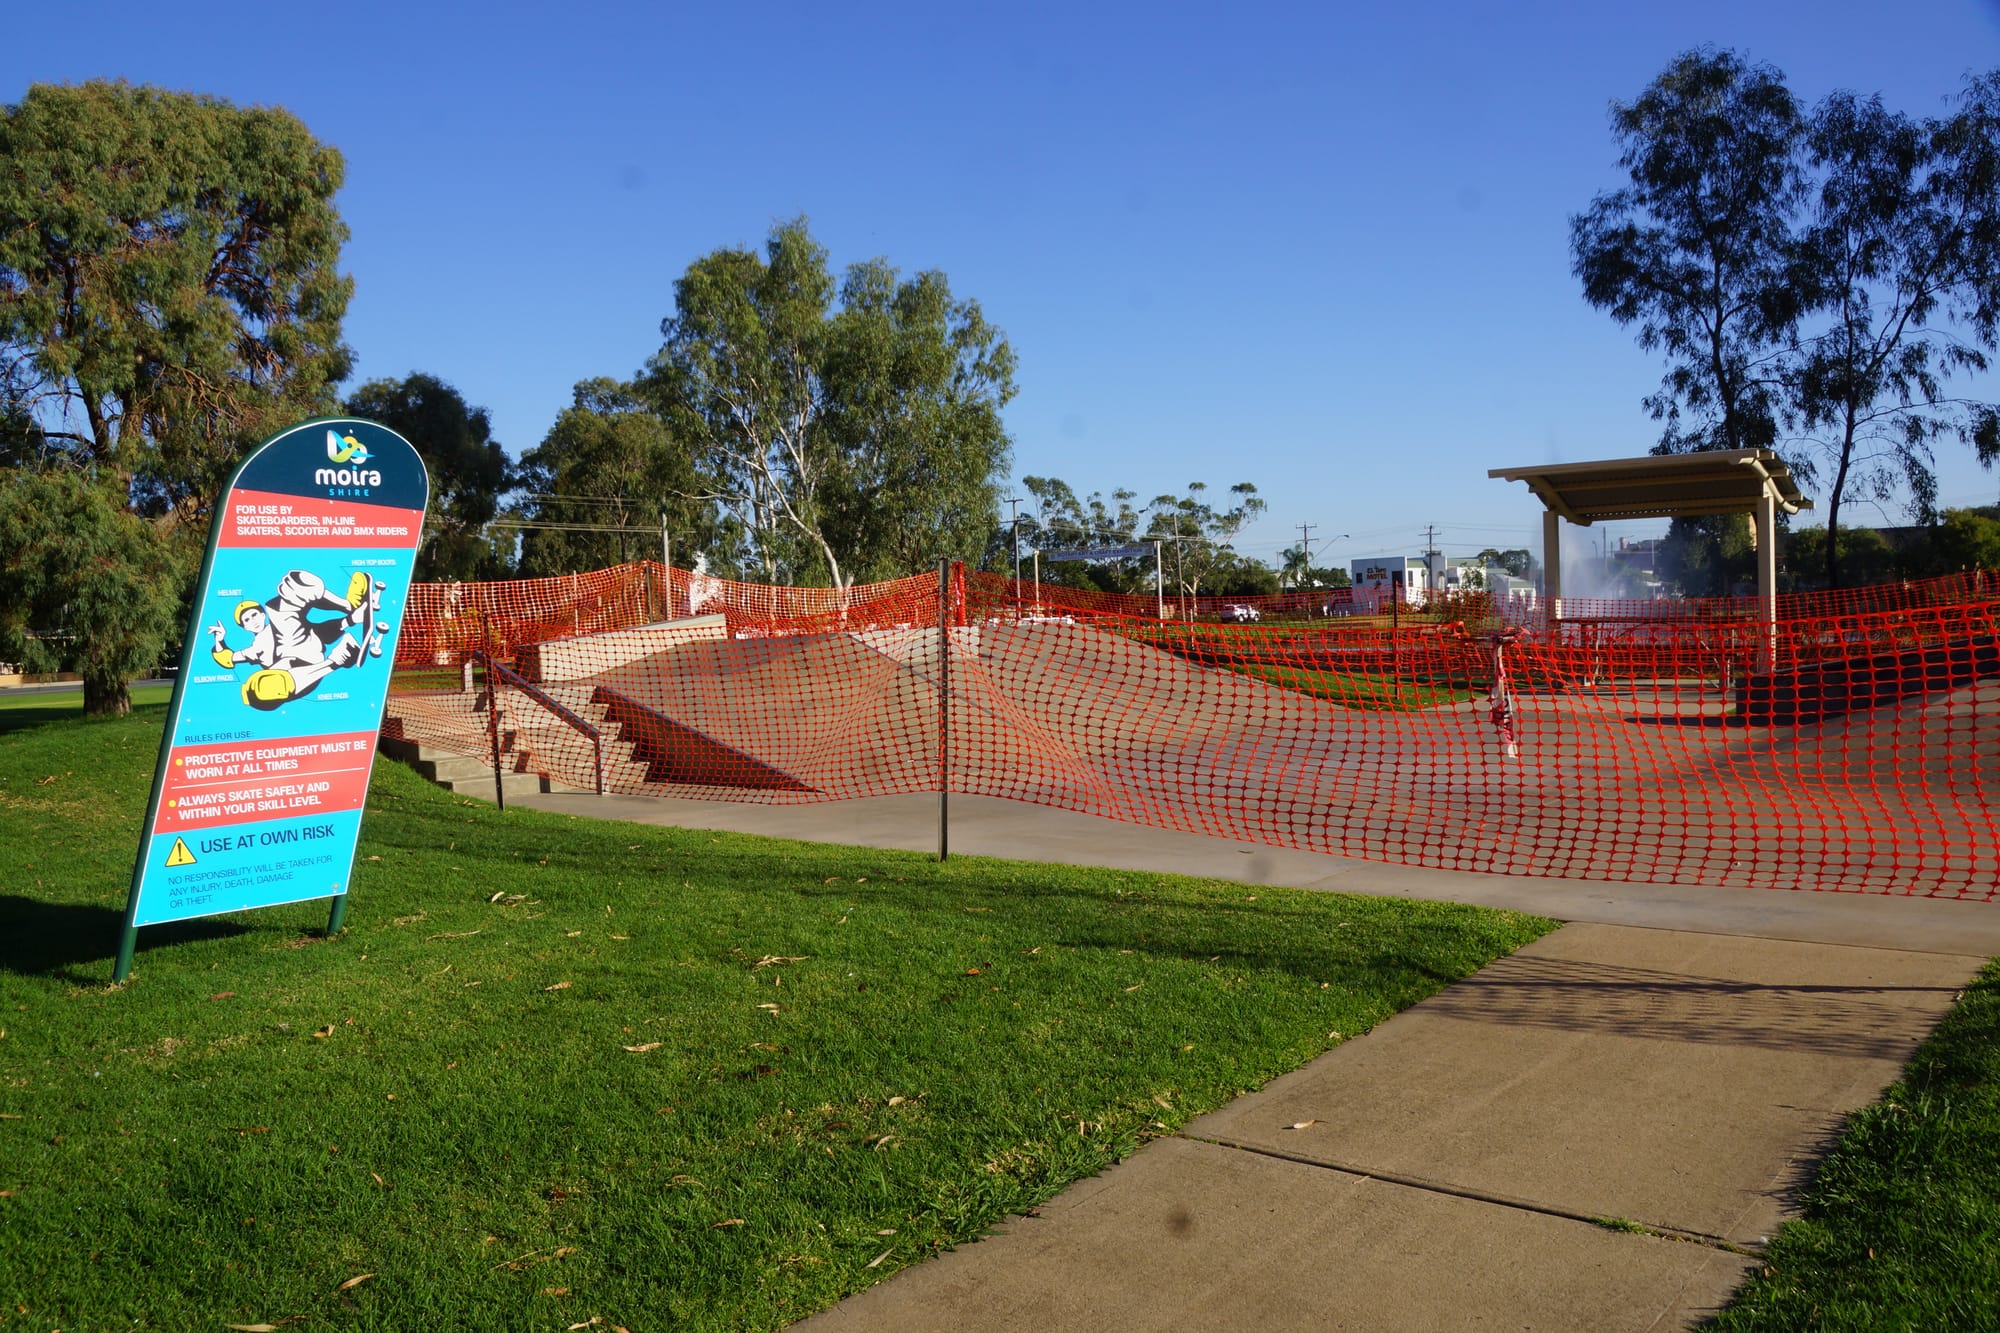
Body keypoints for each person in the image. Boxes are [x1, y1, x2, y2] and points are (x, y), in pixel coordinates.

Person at [209, 570, 387, 708]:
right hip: (296, 680)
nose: (252, 621)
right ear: (244, 627)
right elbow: (227, 659)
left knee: (293, 584)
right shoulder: (254, 649)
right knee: (261, 687)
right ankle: (338, 659)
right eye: (246, 620)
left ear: (262, 614)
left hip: (308, 652)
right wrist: (219, 640)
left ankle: (351, 607)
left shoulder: (279, 622)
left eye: (254, 614)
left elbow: (318, 633)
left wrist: (349, 620)